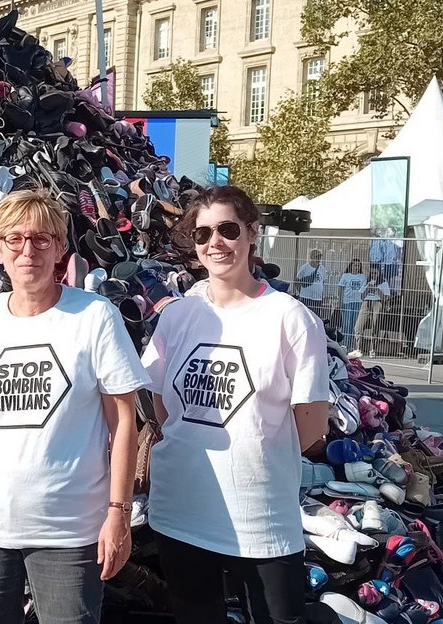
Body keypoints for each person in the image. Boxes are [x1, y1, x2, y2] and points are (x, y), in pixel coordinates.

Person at [0, 190, 150, 624]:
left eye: (41, 239)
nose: (28, 251)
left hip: (69, 528)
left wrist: (118, 514)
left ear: (60, 247)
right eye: (14, 240)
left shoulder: (95, 317)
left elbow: (124, 423)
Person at [140, 185, 330, 624]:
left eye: (227, 229)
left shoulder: (289, 317)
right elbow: (158, 398)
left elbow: (312, 426)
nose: (215, 243)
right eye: (203, 234)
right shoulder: (177, 315)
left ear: (251, 233)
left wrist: (255, 448)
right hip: (181, 508)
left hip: (258, 515)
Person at [354, 264, 391, 357]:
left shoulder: (384, 283)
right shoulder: (367, 282)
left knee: (375, 326)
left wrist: (377, 289)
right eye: (372, 273)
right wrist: (368, 288)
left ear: (379, 274)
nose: (374, 275)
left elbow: (385, 298)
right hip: (366, 303)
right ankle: (358, 348)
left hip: (377, 303)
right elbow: (362, 296)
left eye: (375, 273)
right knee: (358, 327)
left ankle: (372, 349)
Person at [338, 259, 366, 349]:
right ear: (351, 266)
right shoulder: (345, 276)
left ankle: (353, 346)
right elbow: (340, 289)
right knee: (347, 324)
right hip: (347, 302)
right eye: (355, 265)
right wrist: (340, 301)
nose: (356, 267)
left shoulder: (363, 277)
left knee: (355, 325)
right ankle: (345, 344)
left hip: (358, 302)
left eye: (358, 265)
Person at [295, 249, 329, 318]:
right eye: (316, 257)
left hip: (317, 298)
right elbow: (297, 280)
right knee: (305, 316)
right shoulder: (305, 267)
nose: (318, 259)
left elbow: (323, 282)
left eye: (319, 257)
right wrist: (300, 292)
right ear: (311, 258)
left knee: (316, 317)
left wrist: (323, 295)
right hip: (306, 297)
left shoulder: (322, 269)